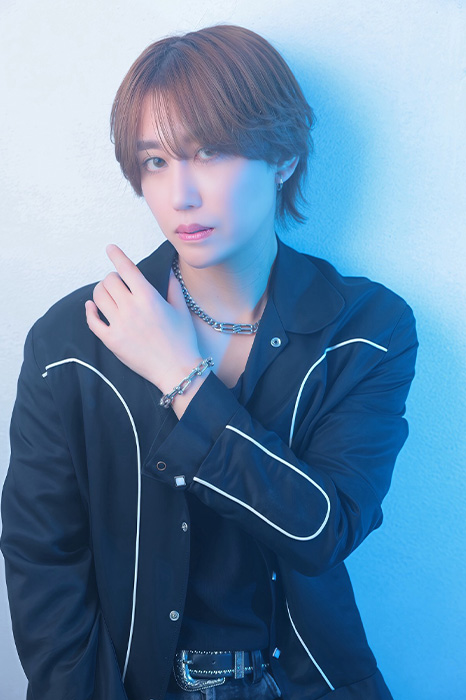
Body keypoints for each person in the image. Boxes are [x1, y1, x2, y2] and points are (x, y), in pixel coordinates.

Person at [1, 23, 418, 700]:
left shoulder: (365, 330)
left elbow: (323, 530)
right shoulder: (74, 340)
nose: (181, 195)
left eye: (211, 153)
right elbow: (41, 559)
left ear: (283, 157)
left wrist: (183, 378)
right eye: (155, 161)